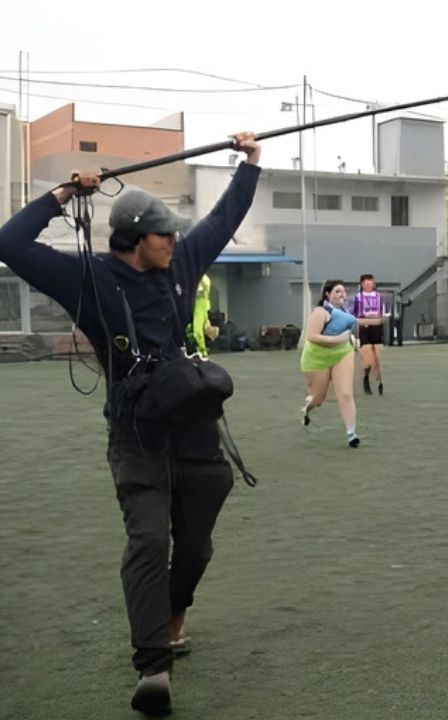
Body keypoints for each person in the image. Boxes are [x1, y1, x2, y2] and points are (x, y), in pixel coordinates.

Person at [0, 132, 261, 716]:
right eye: (164, 235)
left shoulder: (181, 262)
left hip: (194, 427)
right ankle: (154, 667)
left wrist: (250, 161)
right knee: (148, 541)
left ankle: (175, 615)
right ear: (133, 239)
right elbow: (9, 242)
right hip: (135, 435)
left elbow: (224, 219)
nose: (175, 242)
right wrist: (63, 194)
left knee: (194, 546)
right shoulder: (86, 277)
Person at [300, 279, 361, 447]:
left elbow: (352, 331)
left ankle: (351, 433)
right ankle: (307, 408)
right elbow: (312, 336)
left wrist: (354, 340)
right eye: (337, 291)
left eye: (343, 291)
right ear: (327, 294)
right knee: (318, 399)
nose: (342, 294)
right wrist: (338, 339)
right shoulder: (321, 312)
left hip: (342, 352)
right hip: (318, 356)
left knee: (346, 393)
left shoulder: (346, 313)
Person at [352, 273, 387, 396]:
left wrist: (379, 318)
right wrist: (363, 318)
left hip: (376, 326)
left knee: (377, 354)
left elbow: (382, 312)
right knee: (367, 354)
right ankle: (366, 377)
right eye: (365, 283)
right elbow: (355, 313)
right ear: (362, 284)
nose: (368, 285)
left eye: (370, 282)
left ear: (373, 284)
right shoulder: (358, 297)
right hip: (365, 327)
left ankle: (379, 382)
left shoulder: (378, 296)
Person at [187, 273, 217, 359]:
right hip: (198, 304)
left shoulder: (202, 278)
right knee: (190, 329)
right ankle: (197, 350)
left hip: (199, 304)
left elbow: (200, 292)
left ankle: (202, 352)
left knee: (197, 331)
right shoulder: (203, 278)